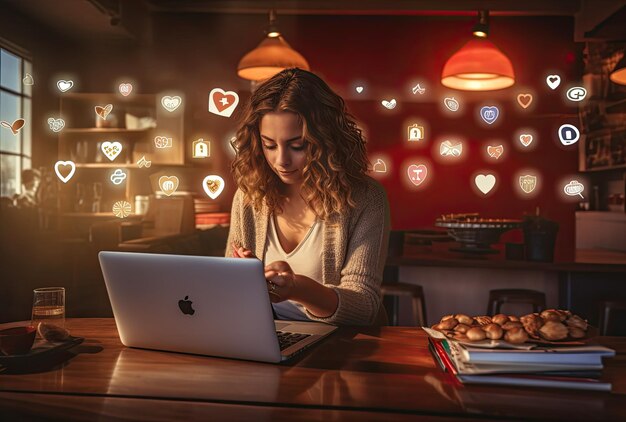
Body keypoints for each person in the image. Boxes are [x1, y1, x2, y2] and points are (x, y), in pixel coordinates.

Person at [226, 68, 390, 326]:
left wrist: (298, 289)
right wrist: (245, 278)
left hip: (345, 346)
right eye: (269, 145)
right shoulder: (249, 196)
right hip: (269, 337)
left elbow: (365, 305)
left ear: (326, 139)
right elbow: (229, 297)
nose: (281, 160)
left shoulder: (365, 198)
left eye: (297, 145)